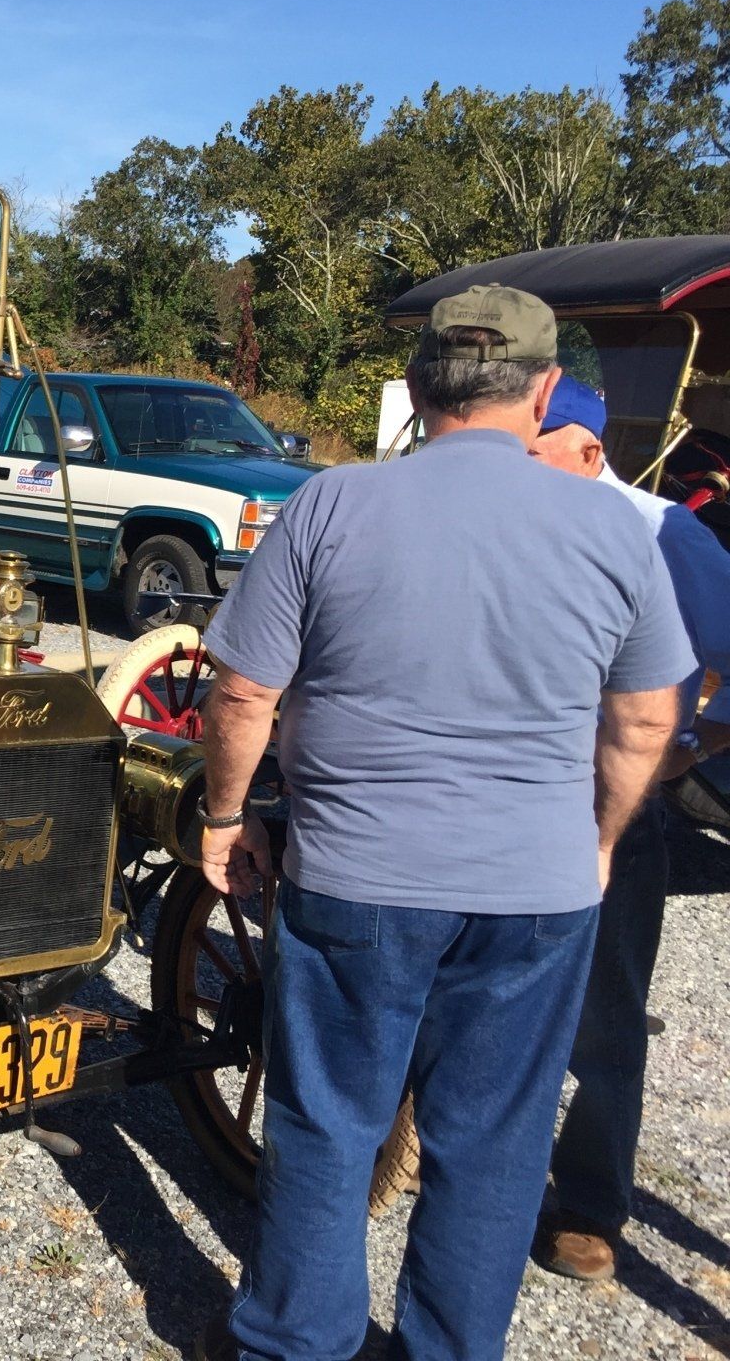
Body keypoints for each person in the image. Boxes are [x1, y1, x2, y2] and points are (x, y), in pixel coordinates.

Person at [196, 285, 693, 1361]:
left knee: (329, 1127)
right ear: (548, 389)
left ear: (422, 387)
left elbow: (240, 694)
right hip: (537, 891)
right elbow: (650, 712)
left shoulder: (331, 505)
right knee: (495, 1143)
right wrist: (599, 840)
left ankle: (295, 1343)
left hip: (357, 878)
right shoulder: (614, 526)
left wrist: (224, 818)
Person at [528, 377, 730, 1280]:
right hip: (507, 797)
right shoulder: (507, 520)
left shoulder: (664, 533)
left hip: (614, 801)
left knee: (606, 1017)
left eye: (530, 447)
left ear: (586, 448)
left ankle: (592, 1203)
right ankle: (456, 1158)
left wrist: (676, 759)